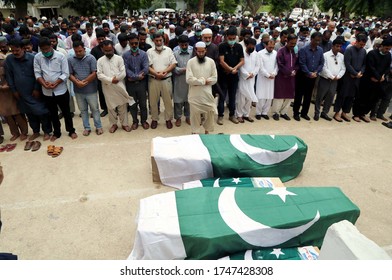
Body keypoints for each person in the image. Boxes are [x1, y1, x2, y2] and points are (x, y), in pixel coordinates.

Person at [6, 39, 51, 141]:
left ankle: (47, 132)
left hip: (34, 92)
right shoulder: (9, 59)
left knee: (41, 112)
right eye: (12, 50)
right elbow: (9, 76)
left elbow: (39, 74)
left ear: (23, 49)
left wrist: (36, 88)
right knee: (29, 113)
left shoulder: (33, 58)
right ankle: (35, 131)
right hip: (21, 92)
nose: (14, 53)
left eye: (17, 50)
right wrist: (14, 91)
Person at [34, 37, 77, 141]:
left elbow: (65, 73)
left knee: (66, 112)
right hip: (47, 91)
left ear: (51, 46)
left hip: (61, 89)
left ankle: (71, 130)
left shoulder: (61, 56)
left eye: (47, 49)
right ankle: (57, 133)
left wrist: (56, 83)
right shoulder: (37, 57)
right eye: (43, 49)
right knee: (53, 113)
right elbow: (37, 73)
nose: (45, 51)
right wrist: (44, 84)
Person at [352, 38, 392, 123]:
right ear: (381, 46)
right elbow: (370, 67)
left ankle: (363, 113)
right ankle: (356, 114)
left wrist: (383, 76)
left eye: (389, 49)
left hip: (378, 80)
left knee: (373, 99)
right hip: (368, 79)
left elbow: (387, 67)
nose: (387, 50)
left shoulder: (388, 55)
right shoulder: (372, 53)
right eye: (386, 48)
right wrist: (377, 77)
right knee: (362, 97)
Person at [97, 40, 133, 133]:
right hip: (107, 87)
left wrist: (116, 79)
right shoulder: (100, 60)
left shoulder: (119, 58)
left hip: (119, 85)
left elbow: (123, 72)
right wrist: (111, 80)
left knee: (122, 105)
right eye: (106, 51)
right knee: (111, 107)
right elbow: (99, 75)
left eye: (110, 50)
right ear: (102, 50)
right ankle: (113, 124)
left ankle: (124, 124)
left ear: (113, 48)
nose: (108, 52)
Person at [68, 41, 103, 136]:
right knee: (83, 110)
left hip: (91, 89)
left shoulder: (91, 58)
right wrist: (76, 82)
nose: (78, 53)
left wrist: (83, 82)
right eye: (76, 51)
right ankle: (87, 128)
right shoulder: (70, 59)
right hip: (78, 90)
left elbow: (94, 73)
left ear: (84, 49)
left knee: (94, 109)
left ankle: (98, 127)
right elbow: (70, 74)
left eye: (80, 51)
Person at [333, 34, 367, 122]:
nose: (362, 46)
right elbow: (347, 64)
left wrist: (360, 73)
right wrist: (355, 73)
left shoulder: (363, 51)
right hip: (347, 76)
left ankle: (345, 112)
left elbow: (364, 64)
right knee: (342, 95)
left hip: (357, 77)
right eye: (360, 44)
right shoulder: (349, 50)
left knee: (351, 96)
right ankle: (337, 113)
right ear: (356, 42)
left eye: (363, 45)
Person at [186, 41, 218, 134]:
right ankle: (195, 132)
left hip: (207, 94)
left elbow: (214, 78)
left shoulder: (211, 62)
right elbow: (189, 79)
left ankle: (207, 132)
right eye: (199, 52)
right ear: (195, 51)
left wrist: (197, 82)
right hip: (194, 95)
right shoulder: (190, 62)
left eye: (202, 52)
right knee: (194, 115)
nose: (201, 54)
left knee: (209, 113)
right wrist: (204, 81)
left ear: (206, 50)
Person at [147, 33, 177, 129]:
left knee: (168, 101)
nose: (159, 42)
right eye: (157, 41)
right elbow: (148, 66)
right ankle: (154, 119)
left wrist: (164, 72)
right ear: (153, 41)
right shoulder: (149, 51)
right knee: (153, 101)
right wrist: (156, 74)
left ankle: (168, 119)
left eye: (160, 40)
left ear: (163, 40)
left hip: (166, 79)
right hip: (153, 79)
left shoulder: (168, 50)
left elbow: (173, 64)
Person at [294, 32, 324, 121]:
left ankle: (304, 113)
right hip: (302, 75)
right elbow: (302, 63)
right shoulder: (303, 49)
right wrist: (309, 73)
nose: (317, 42)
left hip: (313, 76)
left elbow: (321, 63)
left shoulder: (320, 50)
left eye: (319, 41)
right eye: (316, 40)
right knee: (299, 95)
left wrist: (316, 72)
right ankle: (296, 113)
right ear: (311, 39)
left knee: (308, 95)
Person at [217, 27, 244, 125]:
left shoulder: (239, 47)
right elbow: (221, 61)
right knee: (222, 96)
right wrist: (230, 69)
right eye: (230, 38)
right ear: (226, 37)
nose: (232, 40)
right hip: (223, 76)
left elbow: (242, 61)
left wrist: (235, 69)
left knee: (233, 97)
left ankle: (232, 115)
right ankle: (220, 115)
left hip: (234, 76)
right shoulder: (222, 46)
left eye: (233, 39)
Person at [315, 39, 346, 121]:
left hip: (335, 80)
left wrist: (338, 76)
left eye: (340, 46)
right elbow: (324, 67)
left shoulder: (341, 56)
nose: (338, 48)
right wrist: (331, 76)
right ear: (332, 46)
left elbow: (343, 68)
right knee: (320, 96)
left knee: (330, 97)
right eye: (337, 46)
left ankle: (325, 113)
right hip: (325, 78)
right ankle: (317, 113)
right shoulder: (325, 55)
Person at [123, 33, 150, 130]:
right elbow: (125, 70)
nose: (134, 45)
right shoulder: (125, 55)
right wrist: (137, 77)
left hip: (141, 84)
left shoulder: (143, 54)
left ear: (138, 42)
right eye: (132, 43)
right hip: (130, 85)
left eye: (136, 43)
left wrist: (134, 77)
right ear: (129, 44)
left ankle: (144, 121)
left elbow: (146, 68)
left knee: (143, 104)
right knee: (132, 104)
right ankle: (135, 121)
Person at [271, 34, 299, 121]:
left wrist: (295, 70)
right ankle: (276, 112)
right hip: (282, 76)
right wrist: (288, 72)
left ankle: (284, 112)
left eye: (294, 43)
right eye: (291, 43)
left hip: (292, 77)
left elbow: (297, 63)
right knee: (279, 94)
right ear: (287, 41)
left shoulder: (294, 50)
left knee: (289, 95)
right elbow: (280, 63)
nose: (293, 45)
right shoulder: (281, 51)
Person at [235, 38, 259, 123]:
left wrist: (253, 73)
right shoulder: (242, 53)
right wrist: (246, 74)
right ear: (247, 45)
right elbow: (240, 66)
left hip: (251, 79)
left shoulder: (256, 54)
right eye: (250, 45)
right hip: (243, 78)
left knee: (249, 98)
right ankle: (239, 115)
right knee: (241, 98)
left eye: (253, 46)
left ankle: (246, 115)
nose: (252, 47)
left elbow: (257, 66)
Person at [255, 40, 278, 120]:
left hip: (272, 77)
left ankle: (265, 112)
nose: (271, 49)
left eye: (272, 47)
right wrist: (267, 75)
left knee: (269, 96)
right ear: (265, 45)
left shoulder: (275, 53)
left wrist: (274, 73)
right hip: (262, 78)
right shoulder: (260, 53)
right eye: (269, 47)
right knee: (261, 96)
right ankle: (258, 112)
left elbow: (276, 65)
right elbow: (260, 67)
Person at [173, 35, 192, 127]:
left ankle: (188, 117)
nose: (184, 47)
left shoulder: (192, 51)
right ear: (178, 44)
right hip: (179, 80)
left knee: (189, 99)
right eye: (182, 45)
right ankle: (178, 118)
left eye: (186, 45)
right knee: (178, 100)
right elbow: (173, 66)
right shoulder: (175, 52)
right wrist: (182, 70)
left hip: (190, 79)